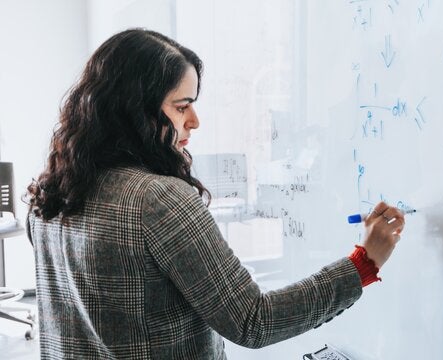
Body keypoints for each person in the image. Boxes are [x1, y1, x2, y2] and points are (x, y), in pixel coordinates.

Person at [25, 28, 405, 359]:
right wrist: (363, 263)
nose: (195, 120)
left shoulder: (53, 190)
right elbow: (254, 320)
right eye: (181, 106)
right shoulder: (158, 200)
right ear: (133, 111)